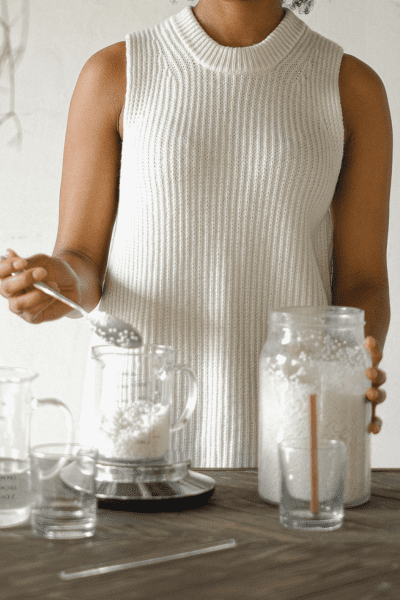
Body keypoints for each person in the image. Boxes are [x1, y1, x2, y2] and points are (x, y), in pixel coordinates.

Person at [0, 0, 391, 467]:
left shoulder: (351, 88)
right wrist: (57, 280)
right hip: (137, 440)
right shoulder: (115, 73)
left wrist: (352, 363)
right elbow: (81, 257)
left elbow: (362, 283)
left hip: (293, 447)